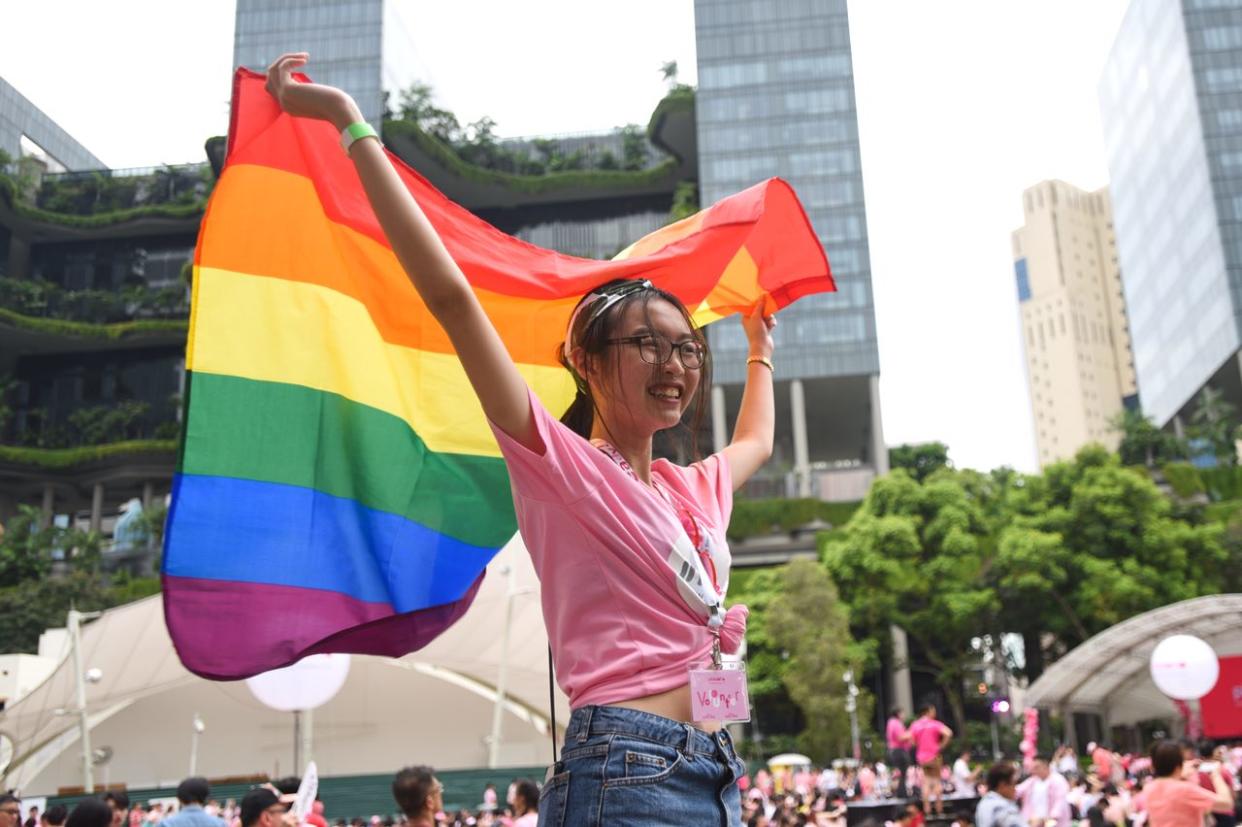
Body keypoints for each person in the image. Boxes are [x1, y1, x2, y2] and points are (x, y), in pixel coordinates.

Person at [266, 52, 779, 827]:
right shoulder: (559, 463)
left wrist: (760, 345)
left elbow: (760, 442)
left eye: (685, 348)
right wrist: (349, 123)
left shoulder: (689, 488)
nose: (673, 364)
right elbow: (452, 299)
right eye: (648, 343)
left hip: (714, 771)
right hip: (624, 768)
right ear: (585, 359)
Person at [1142, 739, 1231, 827]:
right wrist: (1215, 775)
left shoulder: (1149, 787)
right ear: (1179, 765)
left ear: (1153, 766)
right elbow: (1226, 803)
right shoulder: (1184, 789)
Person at [908, 704, 953, 815]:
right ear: (928, 712)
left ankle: (927, 809)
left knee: (926, 782)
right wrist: (941, 745)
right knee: (936, 781)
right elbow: (948, 733)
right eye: (933, 711)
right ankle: (939, 809)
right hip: (934, 756)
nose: (935, 713)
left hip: (922, 757)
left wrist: (918, 744)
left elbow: (911, 739)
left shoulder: (916, 724)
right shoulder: (934, 724)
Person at [1016, 755, 1071, 827]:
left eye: (1037, 767)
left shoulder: (1058, 780)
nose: (1034, 770)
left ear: (1045, 766)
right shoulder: (1032, 781)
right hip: (1033, 821)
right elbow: (1018, 791)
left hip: (1052, 822)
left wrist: (1052, 818)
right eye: (1033, 767)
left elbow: (1060, 801)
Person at [975, 762, 1024, 827]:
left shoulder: (984, 803)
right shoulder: (1001, 807)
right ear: (1002, 784)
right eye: (1013, 784)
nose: (1015, 789)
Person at [887, 708, 913, 799]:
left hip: (895, 750)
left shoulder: (891, 722)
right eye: (903, 713)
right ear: (898, 714)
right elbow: (900, 737)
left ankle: (901, 792)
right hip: (899, 750)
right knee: (903, 773)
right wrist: (911, 732)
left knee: (902, 773)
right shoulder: (896, 723)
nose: (904, 716)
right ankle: (902, 794)